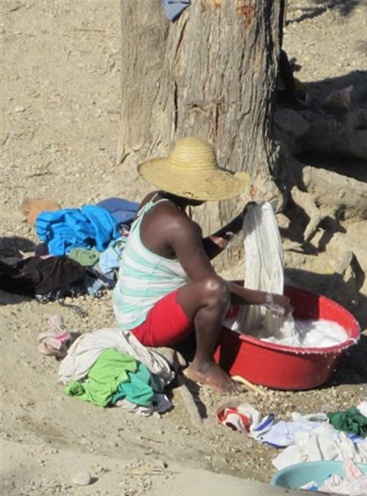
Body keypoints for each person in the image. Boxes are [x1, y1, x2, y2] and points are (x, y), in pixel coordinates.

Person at [112, 137, 292, 394]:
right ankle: (203, 365)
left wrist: (239, 223)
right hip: (142, 324)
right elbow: (214, 288)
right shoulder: (179, 226)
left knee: (212, 289)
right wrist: (269, 298)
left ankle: (195, 347)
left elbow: (192, 254)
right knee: (215, 290)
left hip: (128, 308)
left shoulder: (155, 201)